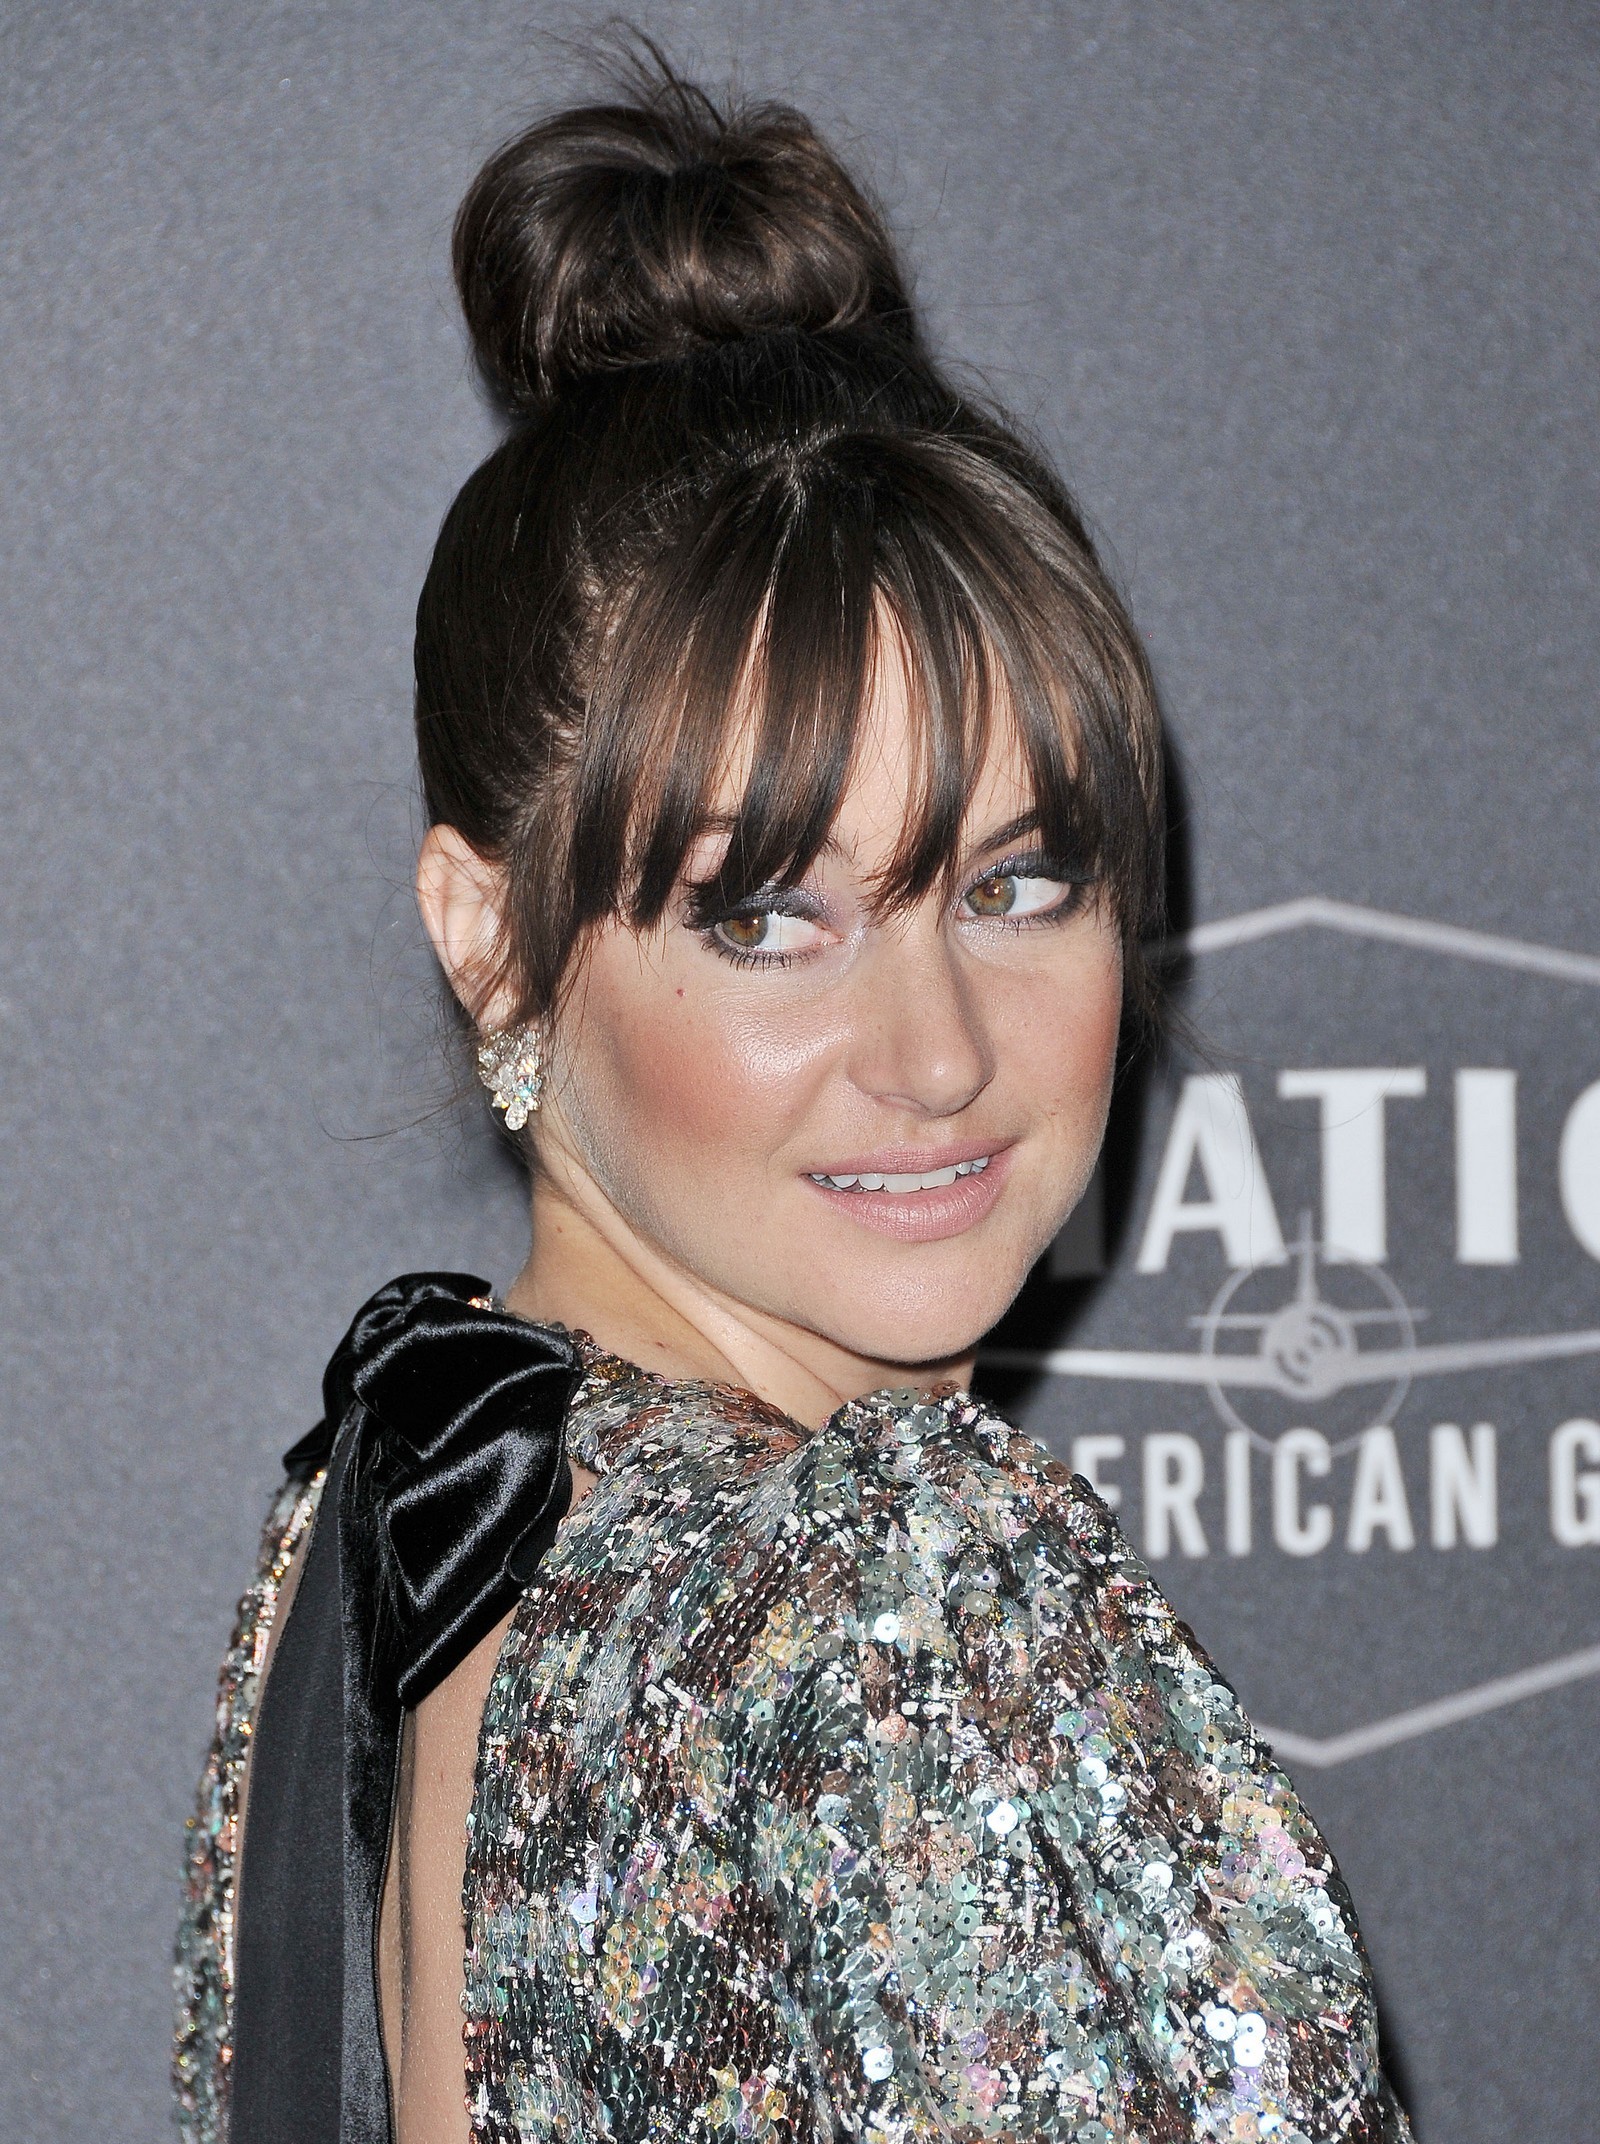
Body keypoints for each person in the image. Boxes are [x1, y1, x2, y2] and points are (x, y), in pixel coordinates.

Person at [174, 54, 1410, 2144]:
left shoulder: (384, 1503)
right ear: (489, 940)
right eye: (768, 916)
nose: (937, 1052)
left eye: (1016, 883)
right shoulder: (890, 1605)